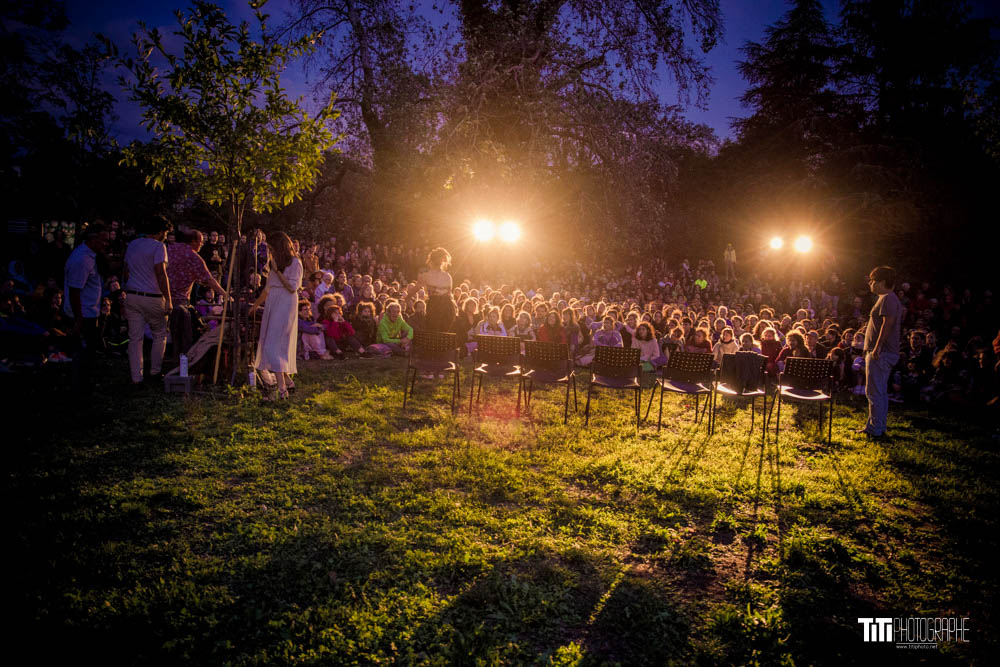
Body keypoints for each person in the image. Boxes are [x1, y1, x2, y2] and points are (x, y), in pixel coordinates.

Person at [252, 232, 302, 399]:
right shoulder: (273, 263)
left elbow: (292, 288)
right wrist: (255, 306)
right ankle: (287, 381)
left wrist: (278, 271)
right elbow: (267, 288)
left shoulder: (295, 263)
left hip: (286, 303)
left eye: (272, 248)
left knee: (276, 343)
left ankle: (281, 388)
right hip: (273, 302)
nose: (270, 252)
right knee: (269, 342)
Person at [123, 217, 171, 385]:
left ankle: (136, 377)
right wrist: (169, 299)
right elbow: (160, 272)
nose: (165, 236)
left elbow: (126, 270)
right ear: (160, 232)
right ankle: (155, 372)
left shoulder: (133, 245)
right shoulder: (159, 247)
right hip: (153, 296)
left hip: (132, 294)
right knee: (159, 334)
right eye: (165, 233)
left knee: (135, 338)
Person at [166, 229, 228, 356]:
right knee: (182, 335)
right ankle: (181, 362)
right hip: (179, 301)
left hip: (162, 297)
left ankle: (163, 361)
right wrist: (225, 294)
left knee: (164, 334)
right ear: (193, 242)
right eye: (200, 242)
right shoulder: (193, 257)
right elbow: (209, 279)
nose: (202, 244)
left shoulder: (169, 249)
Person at [63, 223, 109, 386]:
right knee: (82, 351)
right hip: (83, 314)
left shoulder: (91, 256)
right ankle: (79, 385)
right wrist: (78, 319)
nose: (106, 244)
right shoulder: (81, 259)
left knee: (89, 350)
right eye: (103, 240)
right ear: (92, 238)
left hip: (91, 311)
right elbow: (74, 291)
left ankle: (85, 381)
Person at [859, 265, 902, 438]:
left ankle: (875, 429)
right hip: (880, 352)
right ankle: (876, 426)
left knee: (874, 391)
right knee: (878, 390)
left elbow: (887, 324)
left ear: (882, 282)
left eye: (873, 280)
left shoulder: (887, 299)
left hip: (881, 353)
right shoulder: (886, 299)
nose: (870, 283)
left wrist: (876, 348)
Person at [420, 247, 456, 333]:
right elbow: (448, 294)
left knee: (437, 332)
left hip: (442, 305)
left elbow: (449, 294)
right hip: (440, 305)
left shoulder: (446, 276)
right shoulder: (446, 276)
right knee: (438, 331)